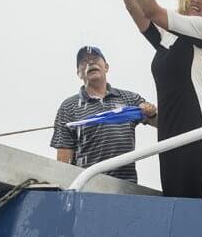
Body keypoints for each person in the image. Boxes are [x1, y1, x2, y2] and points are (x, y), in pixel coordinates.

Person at [97, 0, 202, 199]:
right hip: (169, 129)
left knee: (198, 206)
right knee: (175, 202)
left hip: (198, 126)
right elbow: (135, 10)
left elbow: (152, 10)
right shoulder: (168, 38)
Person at [50, 45, 157, 184]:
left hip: (126, 184)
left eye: (95, 59)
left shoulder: (129, 99)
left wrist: (152, 113)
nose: (90, 63)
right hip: (87, 185)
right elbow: (63, 160)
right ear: (79, 73)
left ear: (106, 67)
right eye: (84, 62)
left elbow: (164, 124)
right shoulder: (69, 107)